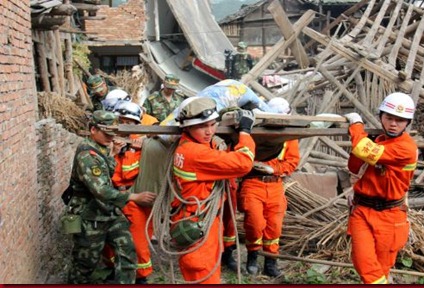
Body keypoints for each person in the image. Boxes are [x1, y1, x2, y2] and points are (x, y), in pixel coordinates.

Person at [170, 97, 256, 284]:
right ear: (187, 128)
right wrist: (245, 133)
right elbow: (243, 163)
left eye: (212, 124)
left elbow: (209, 147)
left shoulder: (188, 145)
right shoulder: (196, 154)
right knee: (204, 275)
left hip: (199, 220)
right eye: (202, 126)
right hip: (199, 225)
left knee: (208, 273)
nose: (209, 131)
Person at [66, 110, 156, 284]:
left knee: (127, 251)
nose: (110, 138)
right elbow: (101, 190)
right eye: (106, 134)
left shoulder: (100, 148)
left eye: (112, 134)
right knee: (85, 264)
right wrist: (134, 197)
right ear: (93, 130)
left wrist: (113, 152)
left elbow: (107, 172)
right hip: (90, 216)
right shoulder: (87, 155)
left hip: (109, 212)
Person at [344, 92, 418, 284]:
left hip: (390, 215)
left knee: (381, 269)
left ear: (407, 123)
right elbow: (353, 166)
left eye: (400, 120)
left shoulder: (406, 148)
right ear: (381, 117)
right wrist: (365, 141)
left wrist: (356, 126)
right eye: (389, 118)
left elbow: (363, 149)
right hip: (362, 211)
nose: (394, 124)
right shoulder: (378, 141)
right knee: (364, 263)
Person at [238, 97, 300, 277]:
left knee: (274, 227)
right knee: (255, 224)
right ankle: (252, 256)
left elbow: (292, 162)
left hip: (275, 185)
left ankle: (271, 262)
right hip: (253, 183)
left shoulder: (290, 137)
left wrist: (274, 169)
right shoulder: (255, 132)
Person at [99, 101, 156, 284]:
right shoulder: (108, 143)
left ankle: (141, 278)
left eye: (129, 122)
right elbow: (104, 174)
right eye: (121, 120)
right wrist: (114, 151)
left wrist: (131, 149)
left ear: (137, 125)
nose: (125, 126)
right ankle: (114, 270)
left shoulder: (145, 146)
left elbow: (129, 173)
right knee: (109, 241)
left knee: (138, 242)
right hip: (114, 198)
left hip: (135, 200)